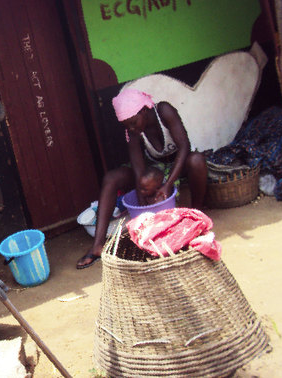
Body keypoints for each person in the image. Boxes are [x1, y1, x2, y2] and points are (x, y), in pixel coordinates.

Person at [76, 89, 207, 269]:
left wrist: (168, 185)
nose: (131, 128)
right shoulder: (134, 132)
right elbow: (139, 172)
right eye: (126, 126)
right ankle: (97, 245)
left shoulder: (164, 111)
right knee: (111, 178)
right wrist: (143, 205)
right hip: (153, 170)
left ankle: (196, 218)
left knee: (197, 160)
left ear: (143, 111)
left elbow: (185, 146)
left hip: (178, 163)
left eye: (133, 122)